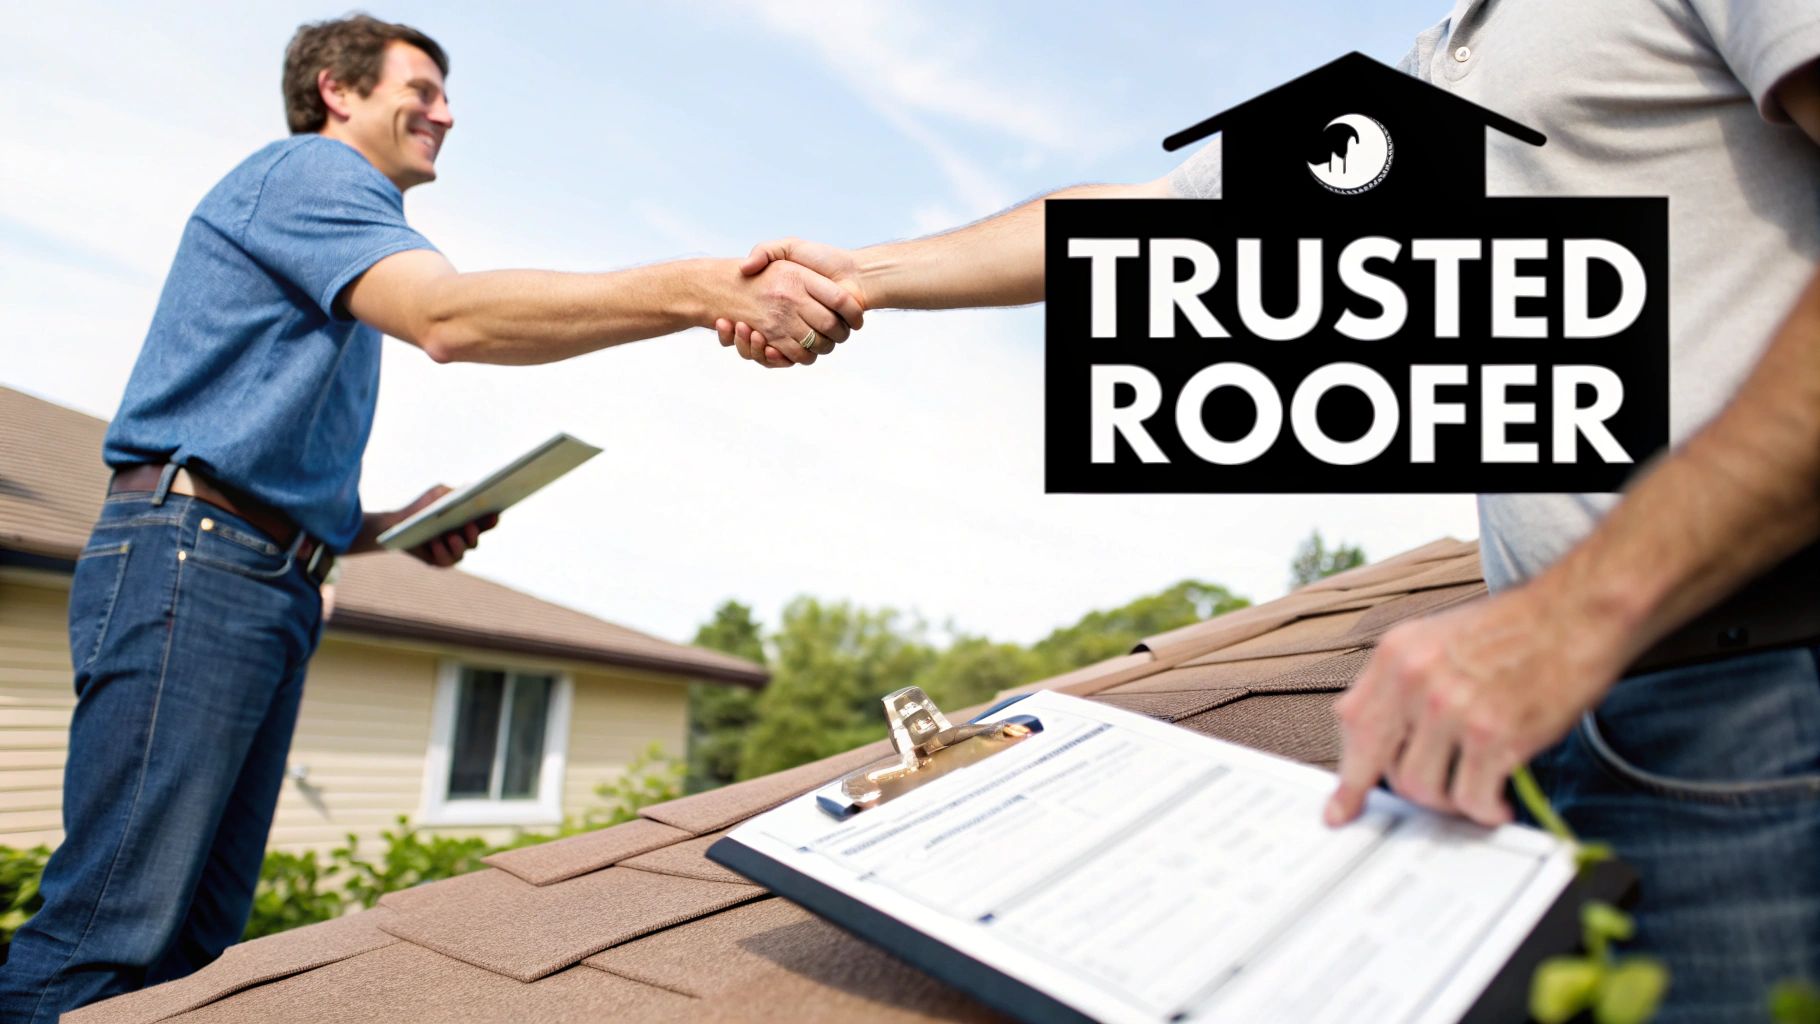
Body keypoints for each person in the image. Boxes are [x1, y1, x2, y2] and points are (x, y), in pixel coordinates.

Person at [715, 4, 1820, 1016]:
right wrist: (853, 277)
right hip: (1579, 720)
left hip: (1763, 694)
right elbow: (1150, 219)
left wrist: (1572, 613)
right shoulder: (1460, 55)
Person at [0, 14, 862, 1022]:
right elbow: (447, 319)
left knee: (192, 950)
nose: (446, 114)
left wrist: (373, 528)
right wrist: (700, 287)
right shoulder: (314, 178)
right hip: (197, 563)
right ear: (337, 89)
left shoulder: (333, 241)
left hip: (257, 572)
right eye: (423, 89)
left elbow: (247, 440)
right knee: (109, 933)